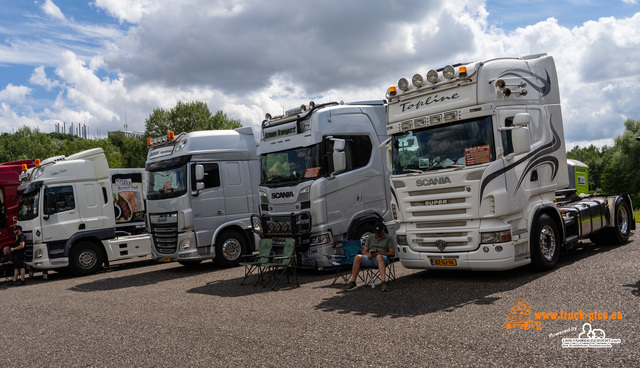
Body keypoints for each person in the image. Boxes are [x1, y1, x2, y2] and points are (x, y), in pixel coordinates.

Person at [344, 222, 395, 292]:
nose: (377, 234)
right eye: (376, 233)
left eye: (379, 232)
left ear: (383, 230)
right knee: (357, 257)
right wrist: (368, 254)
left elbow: (392, 252)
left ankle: (383, 282)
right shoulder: (370, 238)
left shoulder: (388, 238)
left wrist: (381, 253)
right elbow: (364, 250)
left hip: (383, 258)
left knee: (379, 256)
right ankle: (353, 282)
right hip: (371, 257)